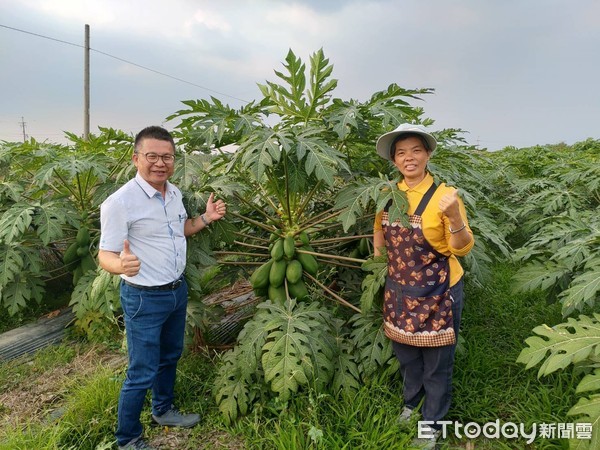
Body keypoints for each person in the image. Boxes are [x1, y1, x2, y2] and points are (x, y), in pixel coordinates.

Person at [98, 126, 226, 450]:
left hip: (175, 291)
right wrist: (119, 265)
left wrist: (206, 218)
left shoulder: (174, 194)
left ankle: (163, 410)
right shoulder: (120, 202)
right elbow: (105, 254)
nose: (160, 163)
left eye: (166, 156)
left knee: (170, 355)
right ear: (136, 158)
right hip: (144, 297)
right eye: (152, 156)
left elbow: (180, 230)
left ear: (173, 159)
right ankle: (127, 438)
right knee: (141, 370)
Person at [373, 123, 474, 449]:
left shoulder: (445, 197)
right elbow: (379, 229)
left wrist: (455, 218)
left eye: (416, 150)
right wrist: (378, 257)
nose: (409, 157)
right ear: (394, 160)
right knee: (406, 355)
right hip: (400, 290)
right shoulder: (388, 195)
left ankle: (431, 422)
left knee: (436, 362)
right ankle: (410, 404)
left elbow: (462, 248)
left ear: (428, 154)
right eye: (401, 152)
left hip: (438, 291)